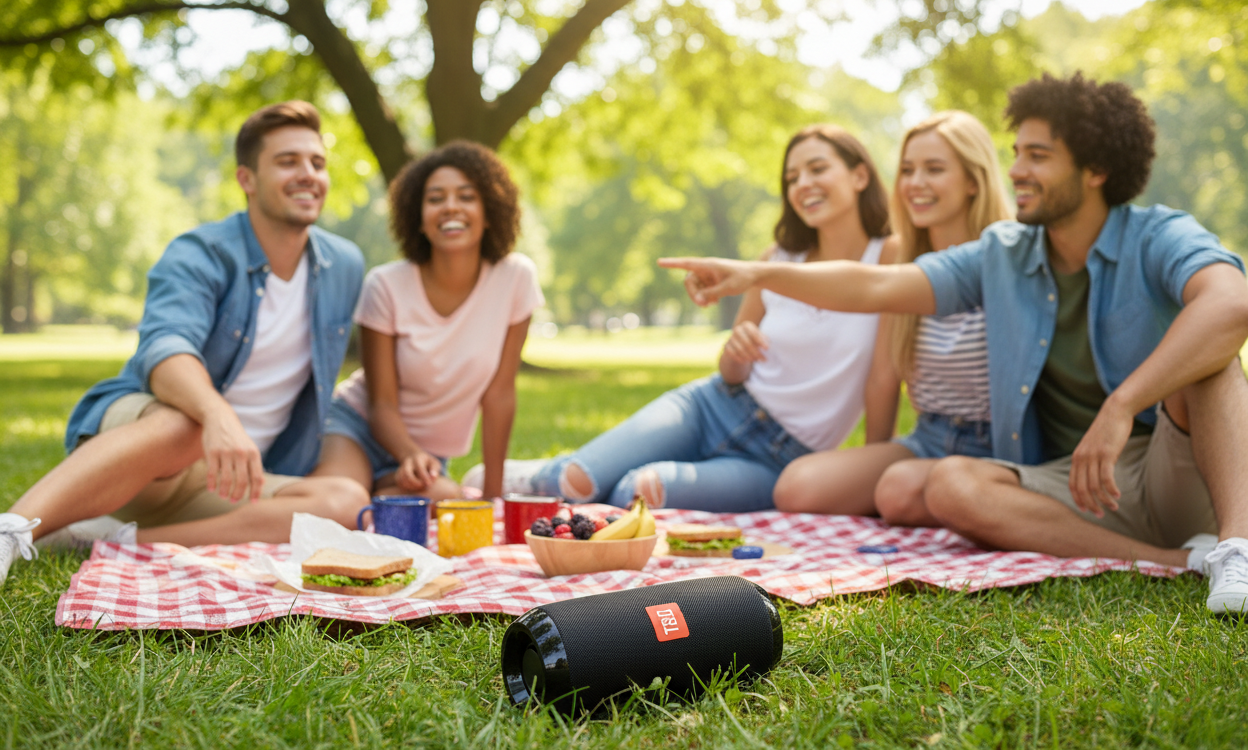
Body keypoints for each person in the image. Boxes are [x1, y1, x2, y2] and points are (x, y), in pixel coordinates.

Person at [662, 73, 1248, 614]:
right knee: (950, 485)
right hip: (1070, 484)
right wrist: (759, 273)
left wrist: (1123, 405)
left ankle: (1237, 548)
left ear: (1095, 169)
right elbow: (878, 285)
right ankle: (1173, 562)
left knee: (1212, 360)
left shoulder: (1158, 234)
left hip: (1175, 472)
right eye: (1016, 153)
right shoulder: (1004, 253)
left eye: (1038, 156)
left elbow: (1231, 304)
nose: (1016, 170)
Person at [0, 101, 370, 588]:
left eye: (317, 163)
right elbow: (164, 348)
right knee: (186, 424)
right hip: (149, 458)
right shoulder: (201, 252)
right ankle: (10, 532)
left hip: (230, 478)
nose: (308, 174)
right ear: (247, 179)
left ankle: (110, 540)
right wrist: (217, 415)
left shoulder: (343, 265)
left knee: (346, 502)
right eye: (288, 161)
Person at [473, 124, 897, 511]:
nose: (802, 185)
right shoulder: (777, 257)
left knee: (636, 493)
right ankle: (551, 475)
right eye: (792, 178)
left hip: (779, 458)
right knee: (577, 483)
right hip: (711, 406)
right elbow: (731, 372)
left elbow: (882, 378)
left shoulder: (890, 258)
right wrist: (736, 351)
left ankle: (570, 473)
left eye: (817, 169)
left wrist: (869, 475)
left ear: (860, 175)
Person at [772, 111, 1013, 516]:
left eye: (934, 169)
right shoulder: (903, 264)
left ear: (974, 180)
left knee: (897, 490)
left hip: (999, 444)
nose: (915, 183)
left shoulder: (1010, 260)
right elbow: (884, 377)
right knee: (797, 486)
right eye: (907, 170)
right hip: (929, 437)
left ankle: (966, 500)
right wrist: (870, 467)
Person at [309, 141, 543, 501]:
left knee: (449, 500)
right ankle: (370, 488)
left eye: (467, 196)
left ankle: (380, 491)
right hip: (358, 428)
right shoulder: (385, 285)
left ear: (489, 211)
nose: (451, 206)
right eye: (435, 198)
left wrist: (492, 498)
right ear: (418, 218)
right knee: (338, 500)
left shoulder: (515, 279)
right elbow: (381, 404)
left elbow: (499, 395)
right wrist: (409, 454)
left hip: (428, 456)